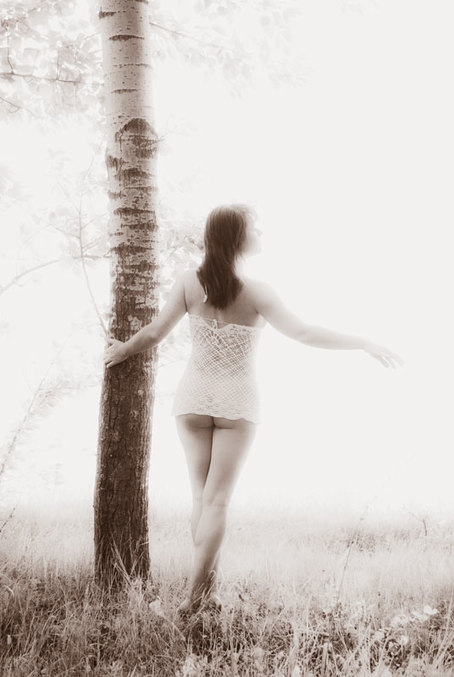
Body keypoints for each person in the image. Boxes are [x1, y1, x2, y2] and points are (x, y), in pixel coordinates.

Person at [103, 203, 404, 616]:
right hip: (236, 402)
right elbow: (305, 333)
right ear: (237, 237)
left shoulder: (189, 282)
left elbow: (155, 332)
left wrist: (121, 350)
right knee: (217, 502)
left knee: (201, 499)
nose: (260, 232)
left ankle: (205, 594)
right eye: (254, 227)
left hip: (192, 399)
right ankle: (194, 599)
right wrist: (363, 342)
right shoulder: (258, 291)